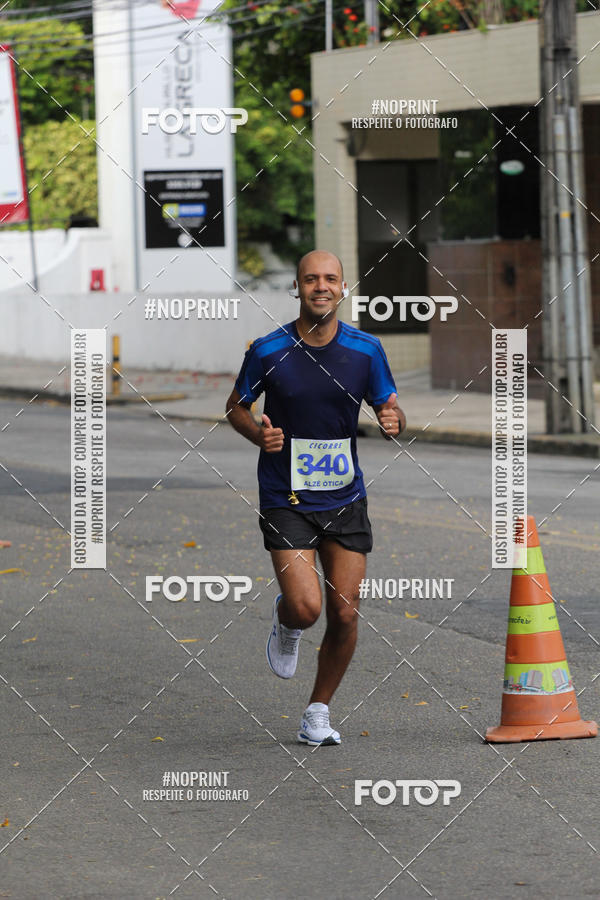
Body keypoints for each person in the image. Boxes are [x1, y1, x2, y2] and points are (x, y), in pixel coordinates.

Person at [226, 250, 406, 746]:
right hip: (286, 496)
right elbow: (237, 407)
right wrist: (257, 434)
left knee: (345, 612)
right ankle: (287, 622)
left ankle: (317, 712)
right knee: (307, 608)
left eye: (330, 279)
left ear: (343, 288)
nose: (321, 287)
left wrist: (394, 421)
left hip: (345, 497)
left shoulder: (366, 350)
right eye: (311, 279)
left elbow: (389, 405)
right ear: (298, 287)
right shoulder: (268, 350)